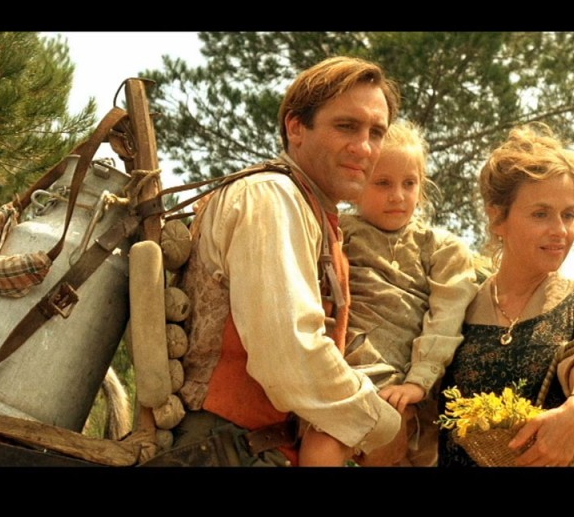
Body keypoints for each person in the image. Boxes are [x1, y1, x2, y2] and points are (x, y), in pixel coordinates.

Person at [165, 56, 404, 467]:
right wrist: (381, 423)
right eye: (346, 126)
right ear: (296, 127)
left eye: (376, 132)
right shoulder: (272, 197)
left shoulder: (315, 212)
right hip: (229, 451)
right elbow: (290, 356)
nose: (364, 147)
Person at [438, 122, 574, 467]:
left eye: (569, 215)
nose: (560, 231)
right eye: (541, 214)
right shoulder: (455, 305)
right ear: (498, 218)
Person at [298, 119, 478, 467]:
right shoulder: (336, 232)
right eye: (382, 183)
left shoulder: (440, 248)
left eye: (409, 184)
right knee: (321, 446)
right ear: (357, 186)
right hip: (340, 376)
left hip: (406, 383)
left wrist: (418, 382)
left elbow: (446, 318)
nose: (398, 196)